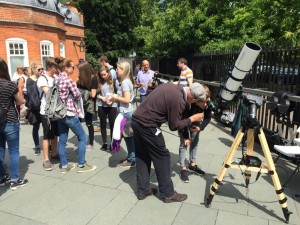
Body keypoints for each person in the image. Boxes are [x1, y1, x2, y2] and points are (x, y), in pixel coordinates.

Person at [131, 82, 207, 202]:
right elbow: (174, 125)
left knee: (142, 156)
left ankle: (143, 190)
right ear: (193, 98)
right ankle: (168, 193)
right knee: (163, 157)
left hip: (136, 121)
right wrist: (192, 119)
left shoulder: (171, 86)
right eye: (195, 101)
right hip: (148, 126)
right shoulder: (179, 100)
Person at [56, 58, 97, 173]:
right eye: (72, 67)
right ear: (66, 68)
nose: (74, 69)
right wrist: (79, 93)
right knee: (83, 137)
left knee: (62, 139)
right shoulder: (68, 80)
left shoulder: (57, 79)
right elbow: (77, 95)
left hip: (59, 113)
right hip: (69, 113)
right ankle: (82, 164)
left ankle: (64, 165)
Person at [0, 58, 28, 190]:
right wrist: (20, 88)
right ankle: (15, 179)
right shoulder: (10, 84)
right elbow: (20, 101)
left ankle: (2, 177)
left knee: (0, 150)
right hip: (10, 120)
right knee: (13, 151)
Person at [179, 84, 212, 183]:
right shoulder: (188, 103)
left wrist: (200, 128)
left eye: (207, 101)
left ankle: (192, 165)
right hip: (184, 120)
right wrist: (186, 137)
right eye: (204, 102)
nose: (206, 105)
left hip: (196, 121)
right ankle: (183, 168)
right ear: (197, 99)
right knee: (184, 143)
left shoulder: (207, 102)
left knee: (195, 141)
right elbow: (182, 120)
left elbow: (207, 117)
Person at [108, 61, 135, 168]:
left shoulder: (124, 82)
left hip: (126, 113)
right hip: (126, 112)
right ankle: (131, 157)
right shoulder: (125, 81)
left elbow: (127, 99)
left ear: (123, 70)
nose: (116, 70)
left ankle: (132, 159)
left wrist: (114, 97)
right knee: (128, 137)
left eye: (118, 68)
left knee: (128, 138)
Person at [37, 57, 59, 171]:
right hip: (46, 112)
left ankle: (54, 154)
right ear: (50, 67)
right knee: (47, 136)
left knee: (55, 134)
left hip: (55, 111)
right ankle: (46, 159)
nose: (57, 69)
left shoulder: (55, 77)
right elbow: (48, 93)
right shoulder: (42, 79)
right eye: (55, 67)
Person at [77, 61, 98, 150]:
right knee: (77, 123)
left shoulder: (93, 78)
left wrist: (82, 92)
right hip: (80, 103)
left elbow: (93, 94)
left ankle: (91, 143)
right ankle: (81, 142)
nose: (78, 72)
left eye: (80, 70)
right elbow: (74, 86)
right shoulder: (80, 78)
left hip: (89, 104)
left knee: (89, 123)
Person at [96, 66, 118, 151]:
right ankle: (104, 143)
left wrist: (112, 98)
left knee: (112, 125)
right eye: (101, 75)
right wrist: (103, 98)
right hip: (102, 106)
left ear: (108, 73)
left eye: (105, 74)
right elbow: (96, 94)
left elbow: (118, 94)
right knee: (103, 125)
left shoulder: (114, 81)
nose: (103, 76)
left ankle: (113, 143)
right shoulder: (99, 82)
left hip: (112, 106)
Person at [26, 62, 44, 155]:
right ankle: (37, 145)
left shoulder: (42, 79)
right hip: (35, 107)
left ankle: (47, 144)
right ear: (34, 70)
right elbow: (31, 95)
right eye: (39, 69)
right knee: (36, 127)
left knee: (46, 126)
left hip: (43, 106)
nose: (41, 71)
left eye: (42, 69)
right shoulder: (30, 80)